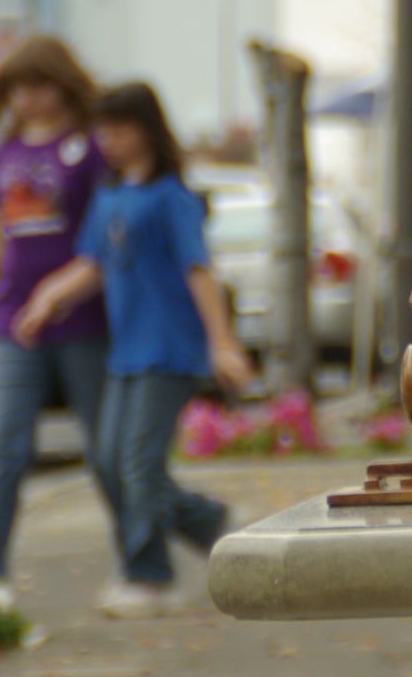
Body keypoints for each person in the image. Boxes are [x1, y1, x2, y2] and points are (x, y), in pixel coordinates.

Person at [13, 82, 254, 619]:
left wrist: (221, 341)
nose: (109, 141)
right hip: (124, 353)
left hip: (169, 351)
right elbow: (92, 265)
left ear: (147, 129)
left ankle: (150, 577)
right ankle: (209, 522)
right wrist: (47, 298)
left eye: (120, 129)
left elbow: (198, 271)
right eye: (103, 130)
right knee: (107, 462)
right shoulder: (110, 196)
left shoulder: (173, 198)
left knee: (138, 467)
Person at [0, 36, 111, 616]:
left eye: (41, 85)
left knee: (106, 450)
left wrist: (66, 290)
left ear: (64, 84)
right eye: (19, 88)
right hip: (13, 321)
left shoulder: (88, 151)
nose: (30, 98)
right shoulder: (7, 152)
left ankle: (147, 559)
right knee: (5, 448)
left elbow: (105, 234)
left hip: (82, 319)